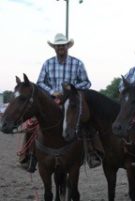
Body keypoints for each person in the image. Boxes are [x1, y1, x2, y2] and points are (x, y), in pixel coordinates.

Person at [19, 33, 104, 172]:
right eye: (58, 46)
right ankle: (29, 157)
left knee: (86, 120)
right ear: (54, 48)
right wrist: (52, 91)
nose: (60, 48)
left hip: (71, 100)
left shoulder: (77, 63)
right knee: (32, 123)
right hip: (52, 100)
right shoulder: (48, 63)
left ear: (67, 46)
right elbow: (40, 82)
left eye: (63, 45)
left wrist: (72, 89)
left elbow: (86, 82)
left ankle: (92, 153)